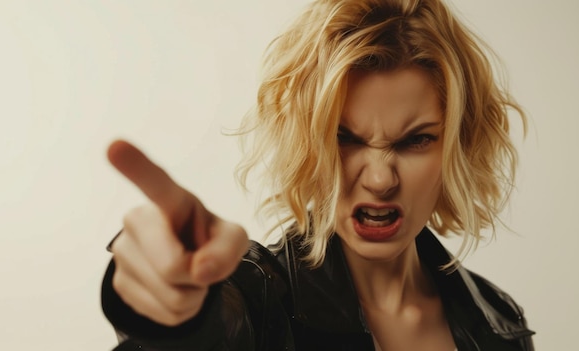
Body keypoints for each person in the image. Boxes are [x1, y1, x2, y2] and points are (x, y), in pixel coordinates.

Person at [101, 0, 535, 350]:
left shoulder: (498, 322)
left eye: (415, 141)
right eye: (345, 138)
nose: (381, 180)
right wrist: (171, 314)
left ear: (457, 148)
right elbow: (212, 331)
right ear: (308, 145)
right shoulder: (258, 301)